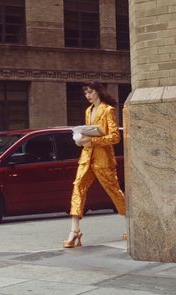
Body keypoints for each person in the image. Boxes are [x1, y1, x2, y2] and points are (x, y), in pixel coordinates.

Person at [63, 81, 126, 248]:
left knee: (113, 190)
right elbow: (88, 134)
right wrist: (82, 140)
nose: (88, 96)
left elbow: (115, 137)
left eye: (90, 92)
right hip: (86, 157)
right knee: (78, 187)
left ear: (97, 92)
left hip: (103, 158)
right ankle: (75, 231)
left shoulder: (108, 110)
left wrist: (93, 140)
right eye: (85, 93)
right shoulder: (88, 111)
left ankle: (131, 223)